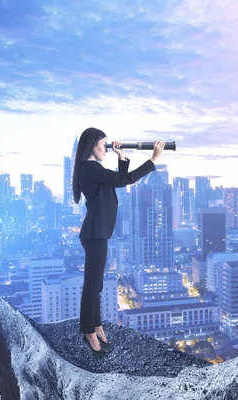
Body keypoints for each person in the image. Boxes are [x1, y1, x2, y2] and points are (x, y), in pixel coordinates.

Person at [72, 127, 165, 356]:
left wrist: (122, 157)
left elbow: (118, 181)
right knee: (92, 286)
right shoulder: (90, 168)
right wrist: (153, 159)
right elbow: (127, 179)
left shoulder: (91, 169)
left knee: (97, 285)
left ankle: (96, 325)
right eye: (103, 144)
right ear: (91, 145)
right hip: (95, 234)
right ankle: (88, 331)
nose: (105, 148)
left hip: (97, 233)